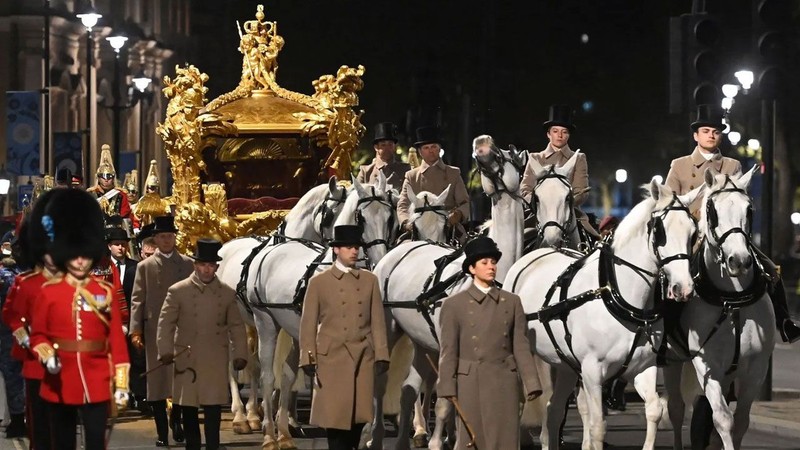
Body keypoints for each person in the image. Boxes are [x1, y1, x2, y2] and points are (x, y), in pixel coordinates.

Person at [665, 104, 800, 343]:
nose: (711, 135)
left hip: (727, 233)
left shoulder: (732, 166)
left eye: (716, 131)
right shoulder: (680, 165)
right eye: (706, 130)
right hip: (691, 233)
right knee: (666, 275)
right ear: (696, 135)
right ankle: (666, 333)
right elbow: (668, 203)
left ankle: (784, 322)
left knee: (770, 270)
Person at [28, 188, 129, 450]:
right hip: (60, 380)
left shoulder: (104, 292)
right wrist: (47, 354)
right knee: (62, 442)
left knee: (96, 441)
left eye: (85, 254)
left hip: (96, 380)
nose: (82, 261)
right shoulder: (49, 292)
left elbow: (116, 340)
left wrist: (122, 384)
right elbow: (38, 334)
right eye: (75, 254)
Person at [437, 236, 542, 450]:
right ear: (472, 269)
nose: (491, 267)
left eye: (493, 262)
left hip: (504, 380)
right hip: (469, 383)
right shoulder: (454, 305)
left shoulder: (512, 302)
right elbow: (448, 351)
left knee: (505, 439)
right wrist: (446, 387)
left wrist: (532, 382)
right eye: (484, 263)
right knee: (473, 439)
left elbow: (521, 346)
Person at [299, 225, 390, 450]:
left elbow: (378, 321)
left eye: (357, 247)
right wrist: (308, 357)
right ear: (336, 250)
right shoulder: (319, 282)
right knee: (335, 420)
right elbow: (308, 323)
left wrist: (381, 353)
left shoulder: (370, 280)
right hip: (332, 358)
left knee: (358, 418)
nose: (355, 251)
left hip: (363, 357)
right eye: (349, 247)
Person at [157, 238, 248, 450]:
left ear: (216, 267)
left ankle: (213, 447)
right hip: (186, 358)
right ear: (195, 265)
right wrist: (165, 351)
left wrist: (241, 354)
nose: (207, 270)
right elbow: (165, 324)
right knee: (189, 410)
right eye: (203, 265)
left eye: (211, 265)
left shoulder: (226, 293)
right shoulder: (178, 291)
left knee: (213, 410)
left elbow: (236, 326)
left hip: (215, 358)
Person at [1, 189, 63, 449]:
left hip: (64, 355)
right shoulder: (23, 280)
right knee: (37, 417)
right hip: (33, 354)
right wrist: (28, 341)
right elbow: (12, 316)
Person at [129, 215, 193, 446]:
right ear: (155, 239)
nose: (167, 240)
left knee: (179, 380)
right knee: (157, 381)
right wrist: (135, 331)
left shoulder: (187, 264)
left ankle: (176, 420)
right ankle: (161, 434)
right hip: (154, 329)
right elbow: (137, 300)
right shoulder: (145, 267)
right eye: (162, 237)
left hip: (181, 330)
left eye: (170, 236)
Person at [520, 104, 598, 237]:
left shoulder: (578, 158)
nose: (560, 135)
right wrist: (539, 202)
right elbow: (524, 189)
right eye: (555, 131)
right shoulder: (535, 158)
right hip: (538, 215)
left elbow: (582, 190)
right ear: (548, 134)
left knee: (594, 243)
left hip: (570, 214)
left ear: (569, 135)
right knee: (520, 243)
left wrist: (565, 201)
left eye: (564, 132)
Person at [396, 126, 470, 234]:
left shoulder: (453, 173)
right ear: (420, 152)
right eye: (426, 148)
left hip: (448, 227)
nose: (430, 151)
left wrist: (458, 215)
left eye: (433, 147)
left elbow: (464, 203)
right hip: (417, 228)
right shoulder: (411, 176)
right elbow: (403, 205)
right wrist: (407, 223)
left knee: (466, 248)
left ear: (439, 149)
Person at [0, 255, 24, 439]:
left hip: (36, 330)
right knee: (12, 376)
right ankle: (17, 418)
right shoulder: (4, 274)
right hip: (9, 331)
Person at [86, 144, 132, 224]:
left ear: (113, 178)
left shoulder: (121, 195)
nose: (106, 180)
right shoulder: (91, 194)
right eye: (103, 177)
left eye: (109, 177)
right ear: (99, 178)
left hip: (116, 230)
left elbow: (126, 216)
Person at [356, 122, 410, 189]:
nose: (387, 148)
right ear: (376, 147)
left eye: (390, 145)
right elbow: (357, 193)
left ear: (394, 147)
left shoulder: (405, 170)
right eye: (383, 145)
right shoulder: (366, 172)